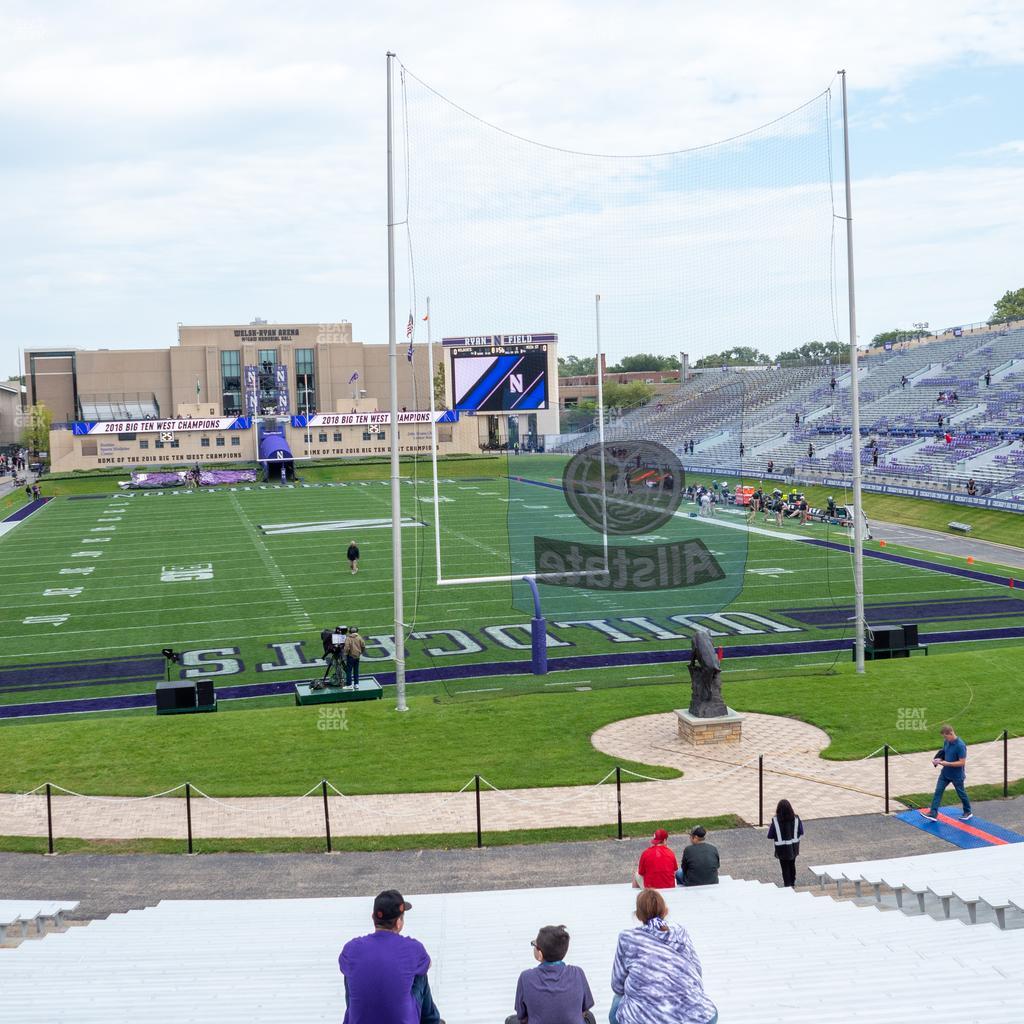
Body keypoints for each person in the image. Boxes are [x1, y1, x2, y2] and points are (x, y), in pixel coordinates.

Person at [610, 889, 717, 1024]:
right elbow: (697, 970)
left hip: (644, 1019)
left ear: (638, 915)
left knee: (616, 1004)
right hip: (698, 1017)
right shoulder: (681, 933)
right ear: (665, 911)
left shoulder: (627, 938)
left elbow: (617, 985)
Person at [339, 890, 444, 1024]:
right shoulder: (413, 948)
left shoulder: (351, 948)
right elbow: (427, 964)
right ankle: (432, 1021)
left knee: (351, 971)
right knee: (420, 973)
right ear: (399, 922)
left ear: (373, 917)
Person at [504, 925, 596, 1024]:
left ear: (540, 955)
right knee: (589, 1016)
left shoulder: (526, 977)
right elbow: (584, 1010)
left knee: (510, 1021)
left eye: (534, 945)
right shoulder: (577, 973)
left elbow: (522, 1016)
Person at [920, 724, 972, 821]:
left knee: (961, 793)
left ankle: (968, 811)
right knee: (938, 792)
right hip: (945, 773)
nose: (945, 739)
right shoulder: (946, 742)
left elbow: (962, 762)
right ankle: (933, 813)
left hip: (957, 775)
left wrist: (947, 763)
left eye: (945, 736)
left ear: (951, 733)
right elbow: (944, 752)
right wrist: (938, 759)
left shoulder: (960, 746)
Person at [767, 799, 804, 888]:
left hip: (781, 849)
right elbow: (801, 831)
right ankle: (792, 882)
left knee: (785, 868)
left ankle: (787, 885)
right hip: (793, 847)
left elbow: (770, 835)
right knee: (792, 864)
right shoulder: (796, 819)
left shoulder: (776, 821)